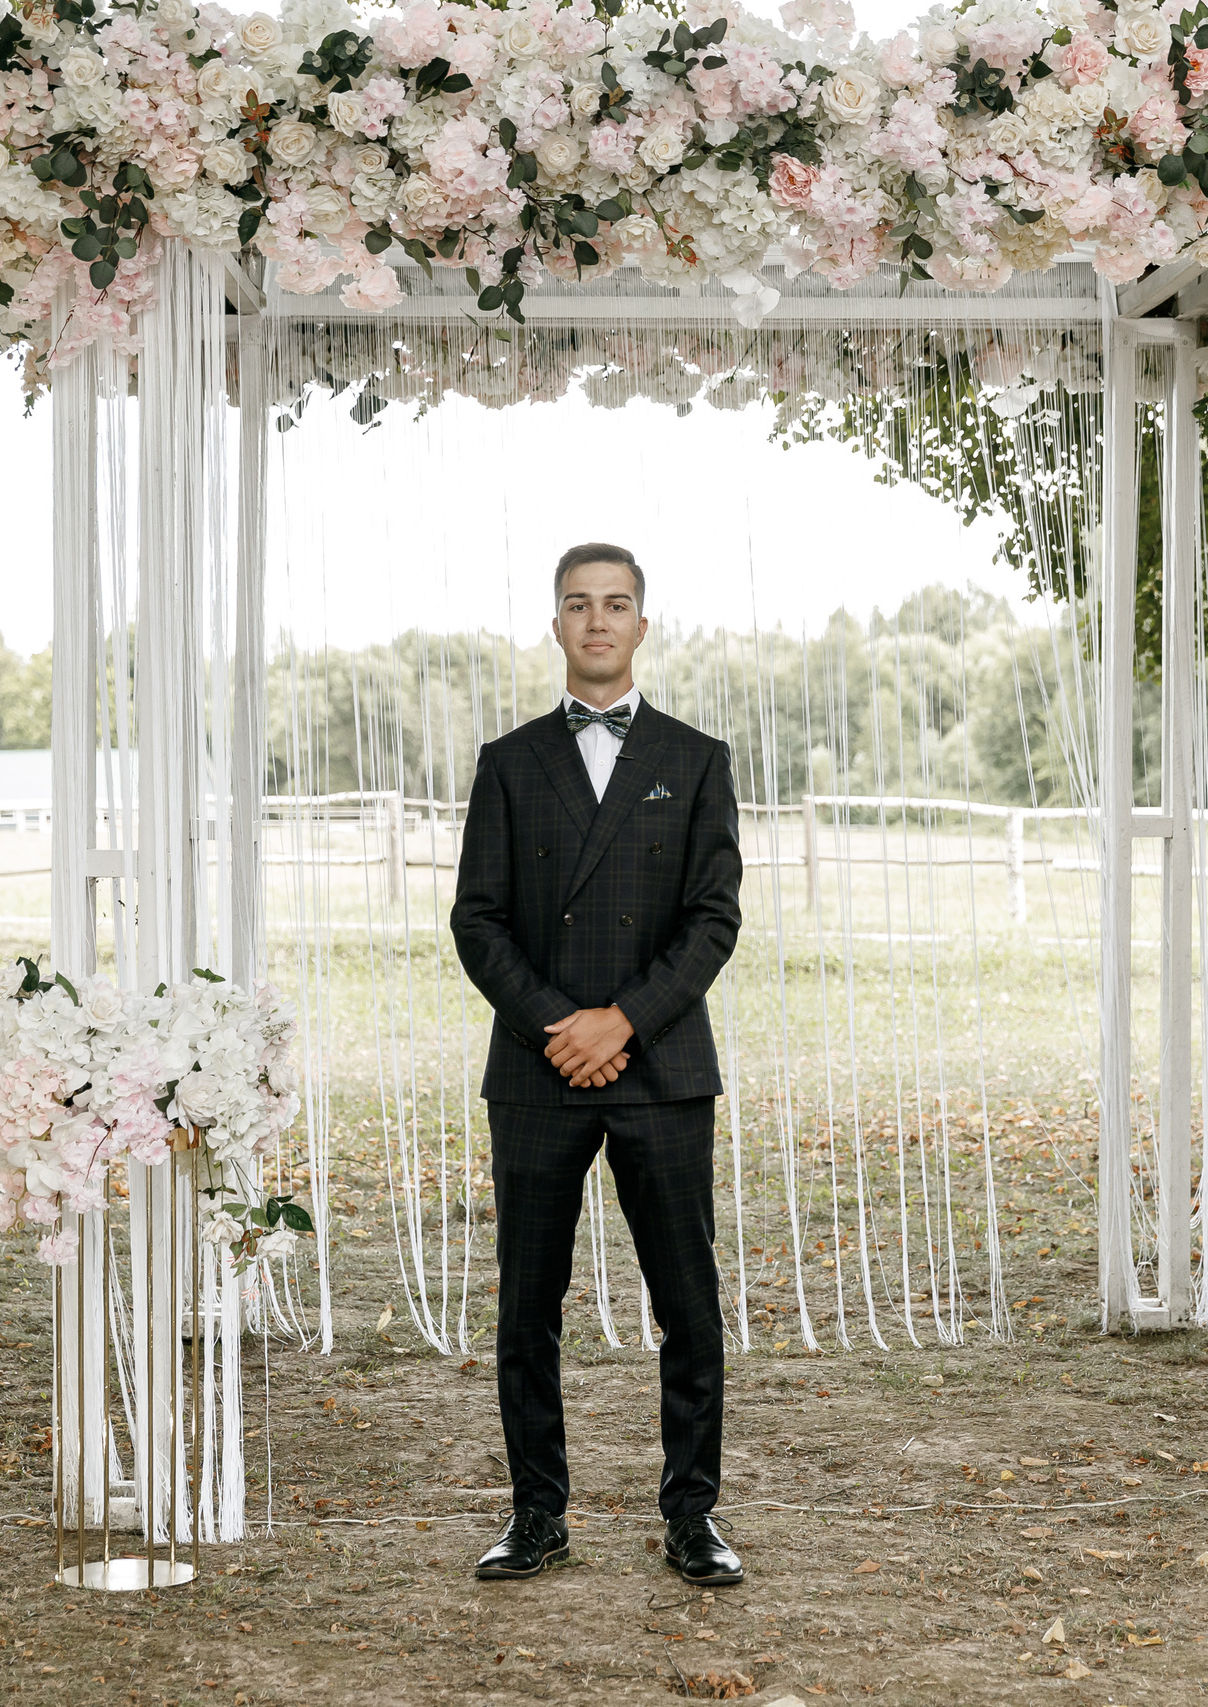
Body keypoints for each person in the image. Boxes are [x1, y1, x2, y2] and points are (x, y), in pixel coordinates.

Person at [449, 542, 745, 1588]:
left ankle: (692, 1519)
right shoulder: (509, 761)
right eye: (578, 605)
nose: (598, 622)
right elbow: (476, 923)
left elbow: (714, 922)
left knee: (689, 1305)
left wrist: (621, 1020)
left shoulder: (696, 758)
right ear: (557, 624)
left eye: (616, 605)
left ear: (641, 625)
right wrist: (555, 1026)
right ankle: (535, 1515)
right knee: (527, 1305)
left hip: (659, 1066)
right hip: (537, 1073)